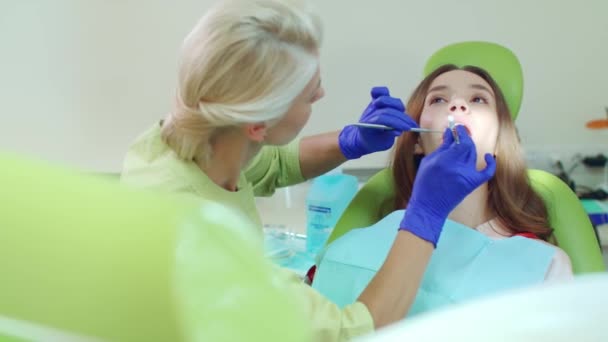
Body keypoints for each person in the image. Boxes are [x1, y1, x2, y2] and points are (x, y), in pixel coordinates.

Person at [121, 0, 494, 340]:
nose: (321, 95)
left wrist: (350, 142)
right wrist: (426, 212)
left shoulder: (180, 142)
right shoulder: (201, 242)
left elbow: (274, 163)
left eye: (477, 99)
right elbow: (351, 332)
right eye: (309, 92)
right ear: (257, 126)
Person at [312, 64, 573, 319]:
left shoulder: (543, 265)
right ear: (416, 141)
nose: (458, 105)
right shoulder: (352, 246)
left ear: (499, 142)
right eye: (438, 99)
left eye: (478, 98)